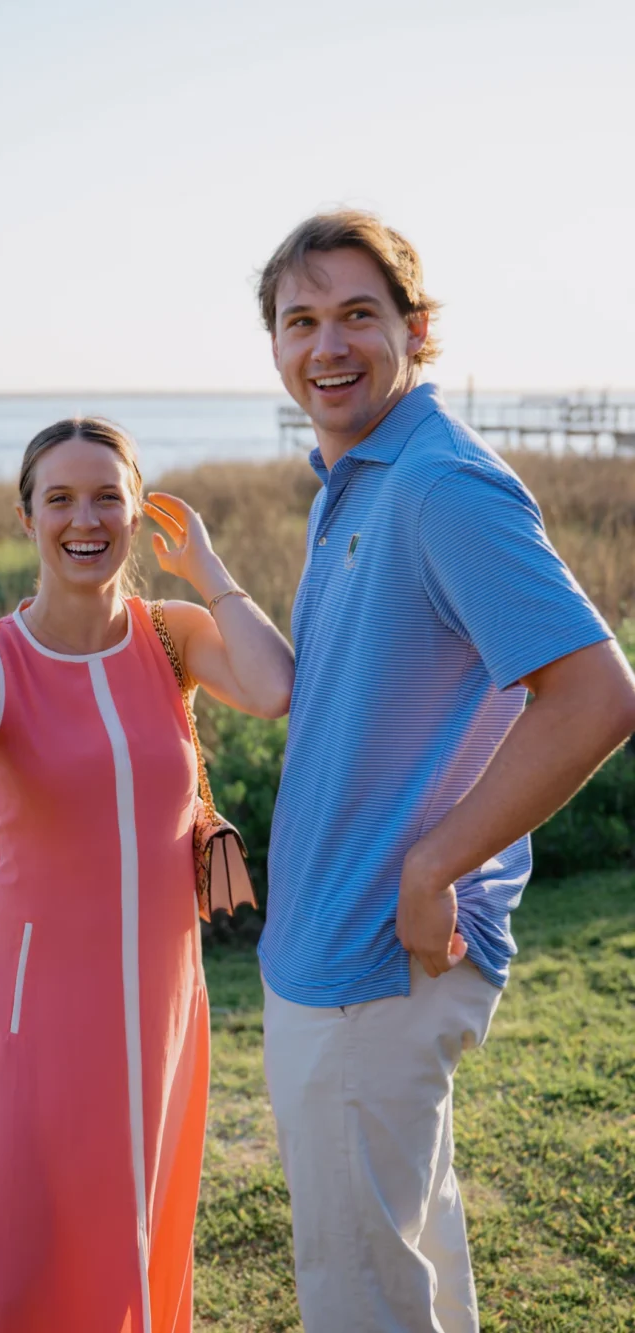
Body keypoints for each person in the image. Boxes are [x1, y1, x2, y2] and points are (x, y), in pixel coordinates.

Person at [255, 210, 635, 1333]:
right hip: (338, 948)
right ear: (273, 345)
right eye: (300, 320)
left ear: (418, 331)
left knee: (364, 1295)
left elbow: (595, 697)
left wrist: (430, 867)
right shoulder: (357, 481)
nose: (327, 345)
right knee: (408, 1264)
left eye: (357, 315)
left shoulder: (436, 484)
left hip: (377, 958)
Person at [0, 417, 294, 1333]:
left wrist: (209, 570)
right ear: (27, 515)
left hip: (160, 998)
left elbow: (276, 689)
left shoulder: (173, 635)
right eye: (62, 498)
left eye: (108, 495)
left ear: (136, 508)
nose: (87, 518)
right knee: (15, 1241)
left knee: (137, 1222)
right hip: (34, 1008)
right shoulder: (1, 657)